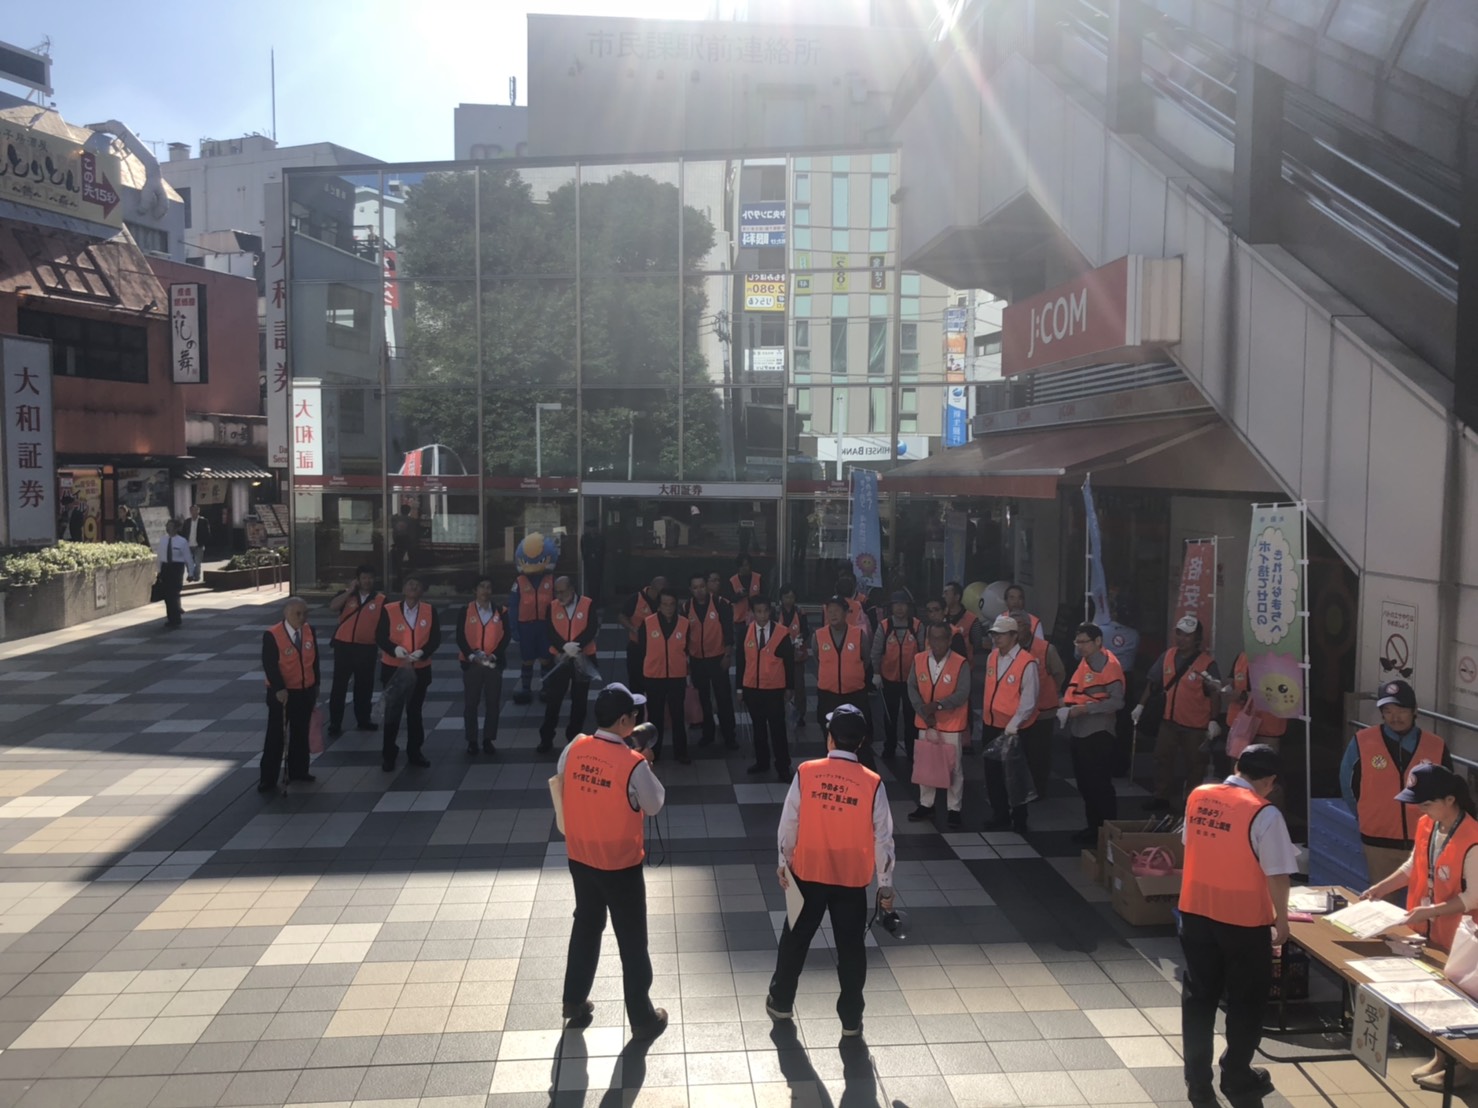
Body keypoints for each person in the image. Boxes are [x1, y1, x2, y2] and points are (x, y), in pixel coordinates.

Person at [766, 704, 896, 1038]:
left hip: (807, 872)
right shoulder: (873, 782)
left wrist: (784, 862)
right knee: (851, 948)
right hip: (851, 879)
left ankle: (781, 1002)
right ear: (861, 741)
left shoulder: (806, 772)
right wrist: (885, 884)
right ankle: (851, 1020)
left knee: (795, 939)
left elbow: (789, 822)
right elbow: (883, 837)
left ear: (830, 738)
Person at [1177, 744, 1296, 1104]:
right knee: (1246, 1001)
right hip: (1243, 920)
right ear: (1270, 781)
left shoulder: (1199, 795)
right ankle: (1237, 1075)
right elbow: (1277, 874)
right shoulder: (1264, 813)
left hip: (1196, 910)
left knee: (1199, 999)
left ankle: (1198, 1081)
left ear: (1236, 767)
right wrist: (1282, 919)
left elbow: (1189, 842)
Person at [556, 683, 668, 1041]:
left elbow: (562, 780)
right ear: (623, 721)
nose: (637, 719)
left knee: (586, 926)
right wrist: (645, 765)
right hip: (620, 864)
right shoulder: (633, 763)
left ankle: (574, 1000)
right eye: (634, 714)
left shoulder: (575, 747)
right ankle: (642, 1017)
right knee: (632, 940)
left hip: (580, 855)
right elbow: (654, 804)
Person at [1360, 763, 1478, 1092]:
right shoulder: (1429, 823)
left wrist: (1431, 911)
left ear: (1450, 799)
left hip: (1462, 935)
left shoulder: (1473, 838)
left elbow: (1473, 897)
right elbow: (1414, 865)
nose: (1420, 810)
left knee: (1461, 999)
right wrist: (1381, 888)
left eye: (1426, 803)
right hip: (1429, 928)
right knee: (1437, 995)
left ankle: (1463, 1068)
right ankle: (1441, 1057)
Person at [1340, 679, 1452, 885]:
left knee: (1425, 899)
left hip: (1425, 840)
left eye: (1401, 710)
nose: (1395, 717)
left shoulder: (1436, 745)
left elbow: (1449, 793)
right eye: (1388, 711)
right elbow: (1348, 786)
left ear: (1414, 710)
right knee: (1381, 900)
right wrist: (1366, 816)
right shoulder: (1362, 741)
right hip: (1378, 841)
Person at [1136, 616, 1222, 812]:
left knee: (1196, 764)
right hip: (1169, 721)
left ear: (1197, 638)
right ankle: (1161, 797)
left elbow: (1215, 693)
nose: (1182, 639)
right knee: (1162, 758)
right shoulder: (1167, 655)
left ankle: (1192, 802)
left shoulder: (1207, 663)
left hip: (1196, 725)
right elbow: (1152, 682)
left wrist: (1214, 720)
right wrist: (1140, 706)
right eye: (1179, 633)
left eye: (1187, 635)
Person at [1058, 623, 1125, 845]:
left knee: (1100, 785)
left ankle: (1107, 833)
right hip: (1079, 730)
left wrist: (1085, 709)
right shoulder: (1085, 662)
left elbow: (1117, 702)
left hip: (1099, 731)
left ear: (1098, 641)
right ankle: (1093, 827)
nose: (1080, 647)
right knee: (1085, 783)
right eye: (1077, 642)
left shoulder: (1110, 665)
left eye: (1084, 642)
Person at [907, 621, 970, 827]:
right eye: (932, 638)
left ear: (949, 640)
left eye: (941, 638)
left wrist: (939, 705)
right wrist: (922, 710)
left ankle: (954, 808)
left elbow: (963, 693)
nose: (936, 643)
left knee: (954, 767)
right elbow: (912, 686)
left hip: (951, 722)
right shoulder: (919, 659)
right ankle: (926, 804)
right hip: (926, 721)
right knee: (925, 764)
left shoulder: (960, 662)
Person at [980, 614, 1039, 833]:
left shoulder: (1027, 662)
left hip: (1014, 729)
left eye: (1001, 634)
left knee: (1015, 775)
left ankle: (1020, 818)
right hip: (991, 723)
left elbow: (1029, 699)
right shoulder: (992, 657)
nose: (996, 638)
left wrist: (1015, 722)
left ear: (1014, 636)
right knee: (993, 773)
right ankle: (1000, 814)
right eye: (994, 634)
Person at [376, 576, 441, 772]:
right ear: (403, 589)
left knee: (414, 712)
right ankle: (389, 755)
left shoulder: (429, 610)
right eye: (410, 584)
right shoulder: (389, 609)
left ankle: (415, 752)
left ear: (422, 590)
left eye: (417, 584)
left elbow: (435, 638)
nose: (413, 587)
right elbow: (380, 636)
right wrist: (394, 649)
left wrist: (423, 652)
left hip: (419, 669)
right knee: (392, 713)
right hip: (394, 669)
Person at [260, 596, 320, 794]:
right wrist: (278, 688)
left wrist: (316, 685)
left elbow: (315, 661)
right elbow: (270, 665)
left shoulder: (309, 631)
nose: (302, 617)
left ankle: (299, 770)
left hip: (304, 691)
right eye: (298, 614)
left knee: (300, 733)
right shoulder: (273, 634)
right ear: (286, 614)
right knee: (276, 736)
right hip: (282, 693)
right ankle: (268, 779)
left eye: (305, 613)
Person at [737, 595, 797, 782]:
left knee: (777, 728)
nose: (762, 615)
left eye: (765, 611)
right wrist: (739, 688)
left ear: (770, 612)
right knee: (758, 728)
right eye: (758, 612)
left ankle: (783, 766)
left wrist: (790, 687)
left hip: (774, 689)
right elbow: (740, 661)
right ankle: (762, 761)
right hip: (752, 688)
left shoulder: (782, 633)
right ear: (752, 613)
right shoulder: (745, 632)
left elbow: (789, 663)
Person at [812, 596, 875, 762]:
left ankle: (862, 767)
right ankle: (832, 767)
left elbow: (866, 660)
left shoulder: (859, 635)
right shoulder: (818, 636)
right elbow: (818, 658)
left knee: (859, 736)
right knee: (829, 734)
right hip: (828, 695)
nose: (832, 614)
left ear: (846, 613)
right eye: (829, 611)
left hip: (855, 694)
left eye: (837, 611)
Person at [541, 575, 598, 755]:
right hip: (560, 658)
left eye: (562, 591)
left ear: (572, 589)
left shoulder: (587, 604)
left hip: (582, 657)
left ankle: (574, 737)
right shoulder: (552, 606)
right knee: (554, 699)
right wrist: (563, 646)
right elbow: (549, 630)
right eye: (556, 592)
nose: (559, 596)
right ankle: (546, 737)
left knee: (579, 700)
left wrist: (576, 645)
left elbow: (591, 628)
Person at [326, 566, 383, 737]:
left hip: (367, 647)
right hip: (344, 646)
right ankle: (335, 723)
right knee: (339, 686)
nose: (367, 581)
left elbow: (385, 624)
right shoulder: (347, 595)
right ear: (358, 579)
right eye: (364, 577)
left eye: (370, 577)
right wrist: (350, 590)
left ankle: (363, 719)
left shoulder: (381, 599)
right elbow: (333, 607)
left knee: (364, 686)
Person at [455, 575, 509, 756]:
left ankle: (488, 739)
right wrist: (471, 656)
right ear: (475, 590)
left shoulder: (500, 611)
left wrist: (494, 655)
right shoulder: (466, 610)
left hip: (493, 663)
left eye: (488, 587)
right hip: (472, 663)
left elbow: (506, 636)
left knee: (493, 702)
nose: (485, 591)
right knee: (471, 703)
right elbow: (460, 636)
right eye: (482, 587)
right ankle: (472, 740)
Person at [684, 573, 737, 750]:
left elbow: (729, 631)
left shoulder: (721, 604)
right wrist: (687, 660)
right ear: (691, 590)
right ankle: (708, 734)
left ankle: (729, 735)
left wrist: (727, 655)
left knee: (723, 698)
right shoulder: (686, 607)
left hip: (718, 658)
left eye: (702, 586)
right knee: (703, 699)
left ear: (706, 587)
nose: (699, 590)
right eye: (695, 587)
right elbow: (685, 635)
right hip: (697, 660)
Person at [638, 588, 690, 764]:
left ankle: (681, 752)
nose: (668, 608)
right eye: (665, 604)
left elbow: (687, 648)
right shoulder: (647, 623)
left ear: (676, 605)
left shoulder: (684, 623)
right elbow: (642, 649)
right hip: (654, 676)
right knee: (655, 717)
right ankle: (654, 752)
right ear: (659, 606)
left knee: (678, 715)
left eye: (672, 604)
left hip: (677, 676)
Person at [872, 592, 922, 760]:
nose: (900, 608)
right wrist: (876, 673)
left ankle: (911, 748)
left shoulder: (917, 626)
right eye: (896, 604)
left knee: (911, 715)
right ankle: (890, 746)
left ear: (909, 607)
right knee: (889, 716)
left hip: (912, 680)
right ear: (891, 607)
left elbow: (923, 652)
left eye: (903, 604)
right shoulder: (884, 626)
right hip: (889, 678)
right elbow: (876, 651)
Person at [1022, 617, 1067, 797]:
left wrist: (1052, 691)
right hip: (1019, 712)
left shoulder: (1046, 648)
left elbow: (1059, 673)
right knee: (1022, 751)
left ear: (1027, 628)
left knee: (1040, 752)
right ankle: (1023, 787)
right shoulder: (1011, 648)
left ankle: (1039, 789)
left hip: (1043, 711)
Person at [509, 567, 555, 705]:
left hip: (545, 625)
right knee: (527, 659)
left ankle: (546, 688)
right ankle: (525, 688)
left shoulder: (551, 580)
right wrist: (514, 628)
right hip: (526, 626)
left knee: (546, 658)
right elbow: (513, 606)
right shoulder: (519, 581)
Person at [620, 576, 666, 696]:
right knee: (636, 684)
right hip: (637, 647)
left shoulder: (664, 601)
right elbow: (622, 616)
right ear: (652, 587)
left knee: (655, 685)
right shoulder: (636, 598)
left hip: (657, 649)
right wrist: (632, 628)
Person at [777, 584, 810, 732]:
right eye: (786, 597)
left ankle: (800, 714)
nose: (789, 600)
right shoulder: (776, 612)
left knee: (799, 686)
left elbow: (806, 630)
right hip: (780, 655)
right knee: (780, 684)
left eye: (791, 597)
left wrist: (800, 638)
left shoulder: (800, 612)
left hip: (797, 654)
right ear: (781, 598)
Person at [154, 519, 191, 630]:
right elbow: (159, 556)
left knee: (174, 593)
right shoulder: (163, 540)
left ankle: (176, 618)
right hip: (166, 568)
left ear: (176, 528)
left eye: (170, 526)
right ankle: (170, 618)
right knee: (167, 595)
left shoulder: (182, 541)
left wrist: (191, 572)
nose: (168, 528)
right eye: (167, 526)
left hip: (177, 568)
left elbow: (188, 558)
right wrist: (158, 570)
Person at [941, 581, 983, 665]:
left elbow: (977, 645)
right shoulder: (941, 616)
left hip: (964, 665)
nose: (943, 596)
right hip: (942, 664)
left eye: (946, 593)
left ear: (957, 597)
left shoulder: (972, 619)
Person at [728, 554, 762, 626]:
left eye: (746, 565)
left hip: (757, 618)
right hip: (739, 620)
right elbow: (730, 599)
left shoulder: (758, 578)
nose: (744, 568)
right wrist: (739, 595)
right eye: (742, 566)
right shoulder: (732, 580)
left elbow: (764, 596)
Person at [579, 521, 606, 605]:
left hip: (598, 564)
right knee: (590, 584)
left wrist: (596, 554)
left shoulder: (600, 538)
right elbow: (583, 550)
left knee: (598, 583)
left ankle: (597, 601)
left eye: (594, 527)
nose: (592, 529)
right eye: (591, 527)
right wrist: (588, 556)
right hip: (589, 564)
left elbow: (603, 550)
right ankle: (591, 601)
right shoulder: (585, 538)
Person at [184, 503, 211, 582]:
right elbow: (184, 532)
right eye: (192, 510)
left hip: (198, 545)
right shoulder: (187, 521)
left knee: (197, 562)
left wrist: (203, 542)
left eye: (196, 510)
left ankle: (197, 576)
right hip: (188, 545)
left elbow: (207, 533)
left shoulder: (203, 521)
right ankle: (191, 574)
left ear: (198, 511)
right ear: (190, 511)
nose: (194, 512)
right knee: (188, 562)